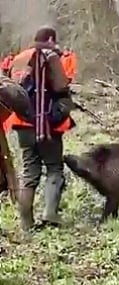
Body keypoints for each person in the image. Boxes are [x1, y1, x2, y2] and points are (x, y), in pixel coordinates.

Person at [6, 26, 76, 231]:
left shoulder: (18, 58)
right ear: (51, 39)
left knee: (29, 173)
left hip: (22, 124)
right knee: (54, 168)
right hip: (48, 125)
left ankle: (26, 223)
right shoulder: (53, 56)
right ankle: (50, 214)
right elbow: (63, 87)